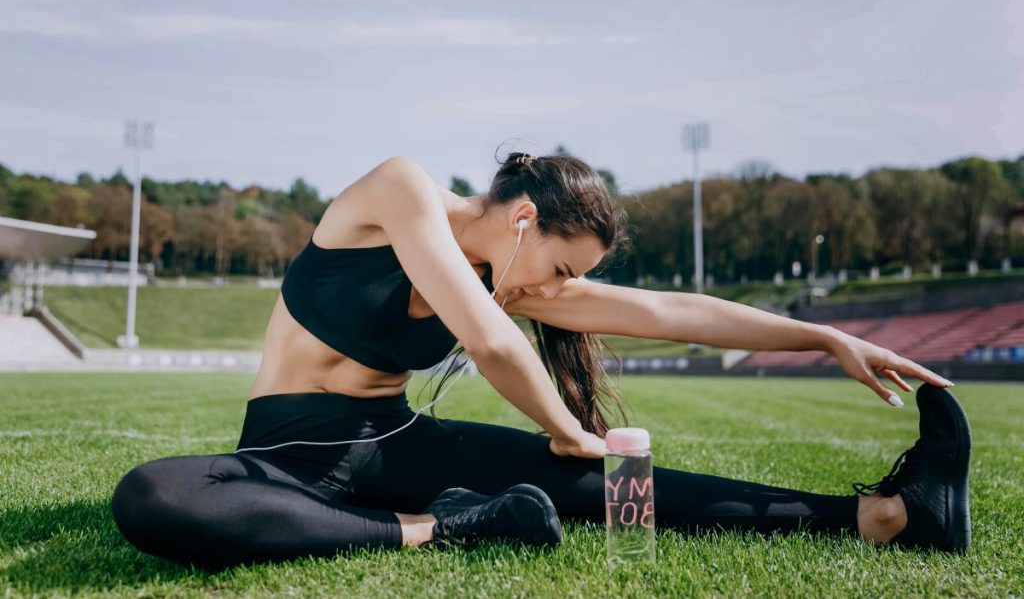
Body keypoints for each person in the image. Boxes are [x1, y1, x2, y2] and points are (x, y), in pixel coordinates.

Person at [110, 150, 971, 569]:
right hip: (284, 454)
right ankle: (448, 526)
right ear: (522, 217)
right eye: (563, 267)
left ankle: (891, 517)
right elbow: (486, 344)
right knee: (153, 496)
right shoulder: (400, 192)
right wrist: (564, 430)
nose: (563, 290)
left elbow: (671, 310)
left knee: (622, 491)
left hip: (394, 440)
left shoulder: (508, 278)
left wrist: (825, 336)